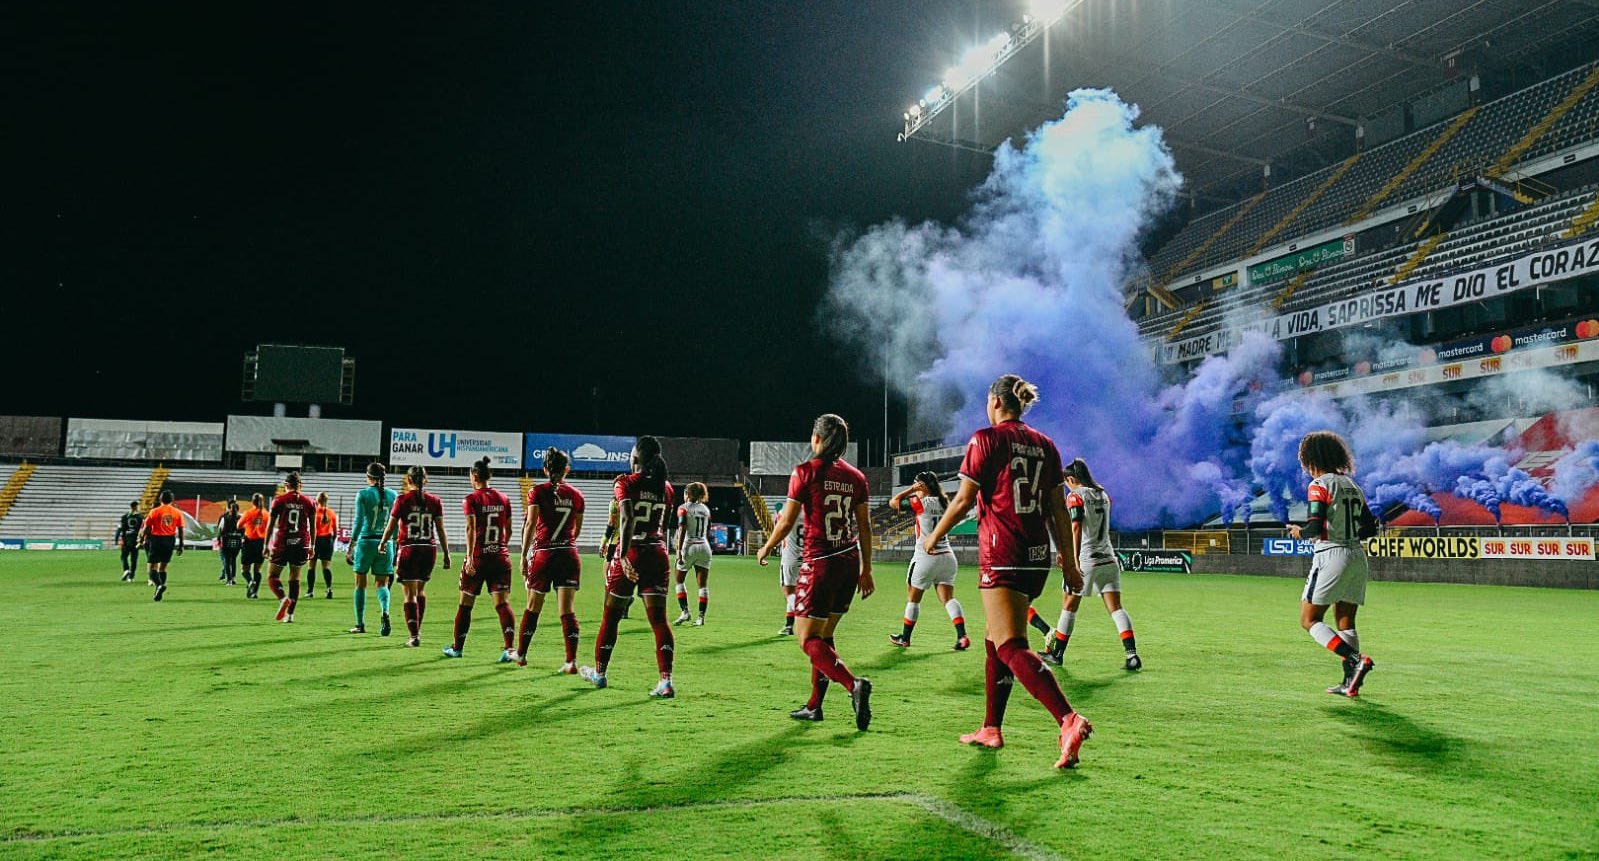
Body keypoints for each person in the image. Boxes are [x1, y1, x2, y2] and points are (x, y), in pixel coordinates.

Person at [921, 374, 1092, 768]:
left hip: (1003, 551)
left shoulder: (986, 439)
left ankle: (1068, 719)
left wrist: (934, 537)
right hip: (1036, 557)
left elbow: (963, 500)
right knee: (993, 637)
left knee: (1010, 645)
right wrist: (1068, 562)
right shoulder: (1046, 445)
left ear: (996, 402)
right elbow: (1058, 510)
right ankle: (991, 727)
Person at [756, 414, 875, 730]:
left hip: (820, 562)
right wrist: (866, 569)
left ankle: (853, 685)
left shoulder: (805, 472)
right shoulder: (856, 477)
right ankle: (814, 706)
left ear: (817, 438)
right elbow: (864, 526)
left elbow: (786, 521)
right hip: (849, 562)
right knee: (824, 636)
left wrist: (766, 547)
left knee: (807, 638)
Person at [580, 436, 678, 698]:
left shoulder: (625, 483)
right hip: (657, 553)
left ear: (636, 457)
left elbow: (627, 517)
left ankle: (600, 674)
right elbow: (665, 525)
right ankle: (666, 681)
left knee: (611, 617)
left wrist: (622, 556)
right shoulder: (667, 488)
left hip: (633, 552)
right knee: (659, 621)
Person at [1287, 431, 1377, 697]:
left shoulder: (1319, 485)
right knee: (1346, 621)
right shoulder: (1352, 485)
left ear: (1311, 459)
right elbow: (1370, 528)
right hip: (1357, 556)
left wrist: (1298, 532)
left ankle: (1355, 659)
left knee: (1309, 619)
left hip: (1331, 555)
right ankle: (1350, 682)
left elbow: (1314, 527)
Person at [1034, 459, 1141, 671]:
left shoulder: (1075, 496)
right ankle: (1132, 655)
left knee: (1069, 606)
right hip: (1108, 558)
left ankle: (1057, 654)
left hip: (1087, 560)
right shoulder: (1102, 494)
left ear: (1071, 479)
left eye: (1066, 482)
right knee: (1116, 608)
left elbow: (1075, 528)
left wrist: (1073, 560)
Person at [518, 447, 585, 672]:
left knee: (533, 606)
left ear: (545, 469)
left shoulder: (537, 492)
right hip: (568, 555)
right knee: (567, 610)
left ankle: (521, 654)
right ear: (567, 469)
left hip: (544, 555)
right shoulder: (577, 495)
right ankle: (571, 661)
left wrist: (524, 555)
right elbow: (576, 530)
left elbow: (530, 524)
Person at [445, 457, 518, 661]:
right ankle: (509, 649)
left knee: (465, 604)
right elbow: (509, 529)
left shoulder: (471, 499)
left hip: (478, 558)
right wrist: (500, 547)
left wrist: (469, 557)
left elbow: (470, 528)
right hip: (500, 557)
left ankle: (457, 648)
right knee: (502, 604)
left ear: (474, 476)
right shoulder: (504, 498)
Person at [888, 471, 969, 651]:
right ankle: (962, 636)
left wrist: (910, 490)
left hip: (925, 557)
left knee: (913, 599)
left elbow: (893, 502)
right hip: (947, 557)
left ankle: (905, 638)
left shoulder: (920, 502)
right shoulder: (945, 502)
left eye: (917, 485)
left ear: (922, 486)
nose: (916, 489)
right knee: (948, 599)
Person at [377, 465, 450, 648]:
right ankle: (418, 630)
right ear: (425, 480)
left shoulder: (402, 500)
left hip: (409, 549)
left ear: (408, 480)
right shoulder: (435, 501)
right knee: (420, 591)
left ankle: (414, 635)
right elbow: (440, 529)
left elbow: (391, 525)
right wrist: (446, 554)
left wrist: (383, 542)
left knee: (409, 594)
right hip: (429, 549)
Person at [346, 462, 398, 635]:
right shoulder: (393, 495)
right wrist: (395, 545)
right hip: (385, 543)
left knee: (360, 584)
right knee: (382, 584)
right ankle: (385, 612)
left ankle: (360, 624)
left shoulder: (363, 494)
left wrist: (351, 545)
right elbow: (396, 525)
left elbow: (358, 522)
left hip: (366, 542)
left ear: (368, 477)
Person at [264, 471, 318, 623]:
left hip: (282, 543)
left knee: (273, 576)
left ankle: (282, 598)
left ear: (286, 485)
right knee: (295, 578)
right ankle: (290, 615)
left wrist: (266, 544)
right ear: (300, 485)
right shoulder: (310, 502)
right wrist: (312, 545)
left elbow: (270, 524)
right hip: (301, 543)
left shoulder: (279, 501)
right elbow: (313, 527)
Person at [673, 482, 714, 626]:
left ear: (687, 494)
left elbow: (682, 529)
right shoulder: (705, 509)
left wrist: (679, 551)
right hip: (704, 546)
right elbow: (707, 530)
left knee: (679, 581)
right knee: (702, 585)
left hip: (689, 546)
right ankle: (701, 617)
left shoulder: (683, 508)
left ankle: (685, 612)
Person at [138, 491, 184, 602]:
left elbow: (147, 527)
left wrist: (141, 538)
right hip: (170, 540)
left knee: (151, 568)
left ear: (160, 499)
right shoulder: (177, 512)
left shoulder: (155, 511)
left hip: (157, 539)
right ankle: (159, 590)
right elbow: (181, 529)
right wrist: (181, 545)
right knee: (162, 568)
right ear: (172, 500)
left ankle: (159, 585)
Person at [239, 494, 269, 599]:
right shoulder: (266, 514)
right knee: (257, 570)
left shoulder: (248, 513)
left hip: (249, 542)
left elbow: (238, 525)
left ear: (252, 502)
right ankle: (254, 593)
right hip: (261, 543)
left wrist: (248, 526)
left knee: (244, 569)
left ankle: (250, 581)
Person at [777, 513, 802, 636]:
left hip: (790, 558)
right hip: (808, 556)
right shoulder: (811, 510)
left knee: (788, 593)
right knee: (797, 591)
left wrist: (767, 547)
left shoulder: (786, 511)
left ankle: (804, 614)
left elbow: (780, 529)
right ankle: (788, 626)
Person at [313, 491, 338, 599]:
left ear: (317, 500)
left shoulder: (314, 512)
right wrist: (331, 541)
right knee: (326, 566)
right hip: (328, 540)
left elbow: (312, 529)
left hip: (316, 540)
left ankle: (310, 591)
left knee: (311, 566)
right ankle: (329, 588)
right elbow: (335, 531)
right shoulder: (332, 513)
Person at [217, 499, 244, 587]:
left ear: (229, 508)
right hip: (237, 542)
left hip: (226, 541)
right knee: (233, 560)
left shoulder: (224, 518)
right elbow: (244, 530)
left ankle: (229, 580)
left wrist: (219, 539)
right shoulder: (241, 518)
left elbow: (220, 529)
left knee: (227, 560)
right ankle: (234, 578)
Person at [116, 501, 143, 582]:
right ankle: (131, 577)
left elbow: (121, 529)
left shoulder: (125, 516)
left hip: (126, 540)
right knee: (134, 559)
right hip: (136, 540)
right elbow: (142, 529)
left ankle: (126, 569)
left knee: (123, 556)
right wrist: (141, 540)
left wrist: (117, 539)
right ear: (135, 507)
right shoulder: (140, 517)